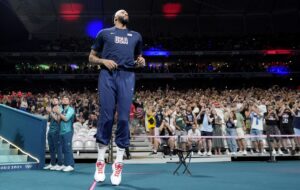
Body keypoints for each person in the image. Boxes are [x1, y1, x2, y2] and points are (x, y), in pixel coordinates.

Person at [89, 9, 145, 186]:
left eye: (127, 12)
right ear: (115, 17)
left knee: (122, 119)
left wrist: (141, 62)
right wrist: (103, 61)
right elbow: (91, 57)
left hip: (127, 76)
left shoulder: (136, 35)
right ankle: (100, 162)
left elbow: (139, 57)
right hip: (107, 75)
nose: (126, 12)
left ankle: (118, 164)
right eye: (122, 12)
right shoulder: (104, 33)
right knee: (106, 116)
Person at [54, 96, 75, 172]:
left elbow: (66, 119)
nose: (64, 100)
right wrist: (57, 113)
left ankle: (71, 165)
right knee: (64, 149)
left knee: (68, 148)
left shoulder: (71, 109)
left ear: (69, 102)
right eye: (63, 99)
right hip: (61, 131)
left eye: (66, 99)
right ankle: (66, 164)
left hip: (68, 131)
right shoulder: (62, 110)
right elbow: (58, 121)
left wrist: (59, 113)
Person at [44, 97, 63, 170]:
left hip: (57, 130)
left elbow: (58, 120)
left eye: (56, 100)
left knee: (58, 148)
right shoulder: (51, 109)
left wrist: (51, 112)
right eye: (53, 100)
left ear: (58, 101)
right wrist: (49, 111)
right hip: (50, 130)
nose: (54, 101)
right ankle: (52, 163)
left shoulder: (60, 109)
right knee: (51, 148)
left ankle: (60, 164)